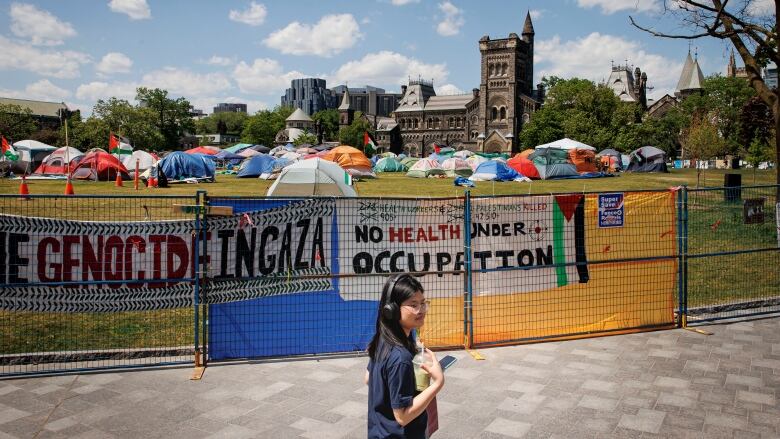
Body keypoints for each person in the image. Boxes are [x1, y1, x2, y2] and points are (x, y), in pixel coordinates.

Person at [365, 274, 444, 439]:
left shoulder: (383, 339)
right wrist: (437, 382)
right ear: (391, 309)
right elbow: (402, 417)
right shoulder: (400, 358)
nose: (421, 310)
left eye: (423, 303)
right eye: (413, 305)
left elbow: (368, 378)